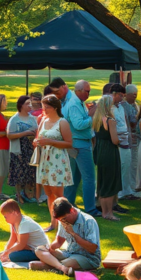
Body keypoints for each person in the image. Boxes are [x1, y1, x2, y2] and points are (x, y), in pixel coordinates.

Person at [56, 79, 99, 217]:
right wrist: (92, 116)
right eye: (87, 91)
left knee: (73, 177)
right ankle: (90, 208)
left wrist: (88, 113)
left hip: (75, 144)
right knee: (89, 177)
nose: (88, 93)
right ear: (78, 90)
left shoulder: (75, 102)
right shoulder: (74, 103)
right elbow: (79, 124)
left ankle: (68, 206)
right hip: (80, 144)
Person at [31, 197, 102, 275]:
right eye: (60, 220)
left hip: (87, 257)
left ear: (72, 210)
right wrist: (49, 249)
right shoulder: (63, 220)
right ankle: (61, 268)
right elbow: (58, 242)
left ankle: (51, 266)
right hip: (69, 253)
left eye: (64, 218)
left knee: (68, 262)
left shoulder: (89, 221)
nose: (63, 221)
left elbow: (92, 249)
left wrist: (73, 233)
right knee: (39, 249)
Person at [35, 95, 74, 231]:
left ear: (55, 107)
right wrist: (37, 142)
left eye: (47, 106)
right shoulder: (43, 121)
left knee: (59, 194)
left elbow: (69, 143)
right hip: (45, 160)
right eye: (43, 105)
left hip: (57, 160)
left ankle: (64, 222)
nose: (44, 109)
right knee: (49, 193)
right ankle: (53, 222)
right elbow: (38, 138)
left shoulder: (62, 122)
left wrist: (51, 142)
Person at [93, 95, 122, 222]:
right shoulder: (110, 120)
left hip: (100, 152)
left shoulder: (97, 120)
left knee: (103, 183)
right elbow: (115, 140)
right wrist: (122, 139)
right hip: (110, 152)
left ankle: (104, 212)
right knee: (110, 183)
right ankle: (109, 213)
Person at [7, 95, 38, 204]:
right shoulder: (14, 119)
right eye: (27, 104)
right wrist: (25, 133)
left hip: (30, 149)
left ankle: (28, 194)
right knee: (18, 173)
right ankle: (18, 195)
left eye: (30, 103)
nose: (30, 105)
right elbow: (9, 135)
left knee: (30, 172)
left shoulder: (33, 118)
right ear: (21, 105)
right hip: (19, 149)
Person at [109, 84, 132, 206]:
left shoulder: (121, 107)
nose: (122, 98)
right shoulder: (109, 107)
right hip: (116, 141)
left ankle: (124, 191)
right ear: (114, 94)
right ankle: (116, 193)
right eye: (121, 96)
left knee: (125, 166)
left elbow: (126, 121)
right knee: (117, 168)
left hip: (125, 140)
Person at [122, 84, 141, 200]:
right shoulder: (125, 106)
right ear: (127, 95)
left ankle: (133, 187)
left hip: (135, 138)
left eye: (136, 94)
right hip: (129, 139)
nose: (135, 96)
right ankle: (129, 189)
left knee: (135, 164)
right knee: (130, 165)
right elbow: (132, 121)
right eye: (133, 94)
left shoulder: (135, 105)